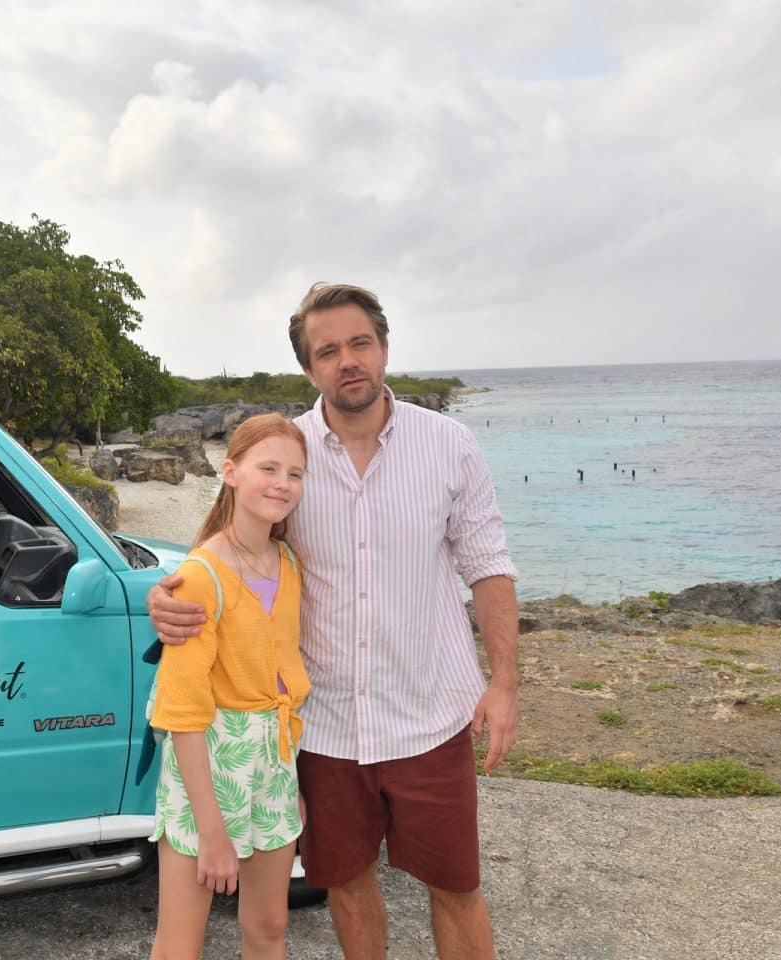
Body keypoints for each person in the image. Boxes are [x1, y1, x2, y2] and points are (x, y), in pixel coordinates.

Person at [149, 283, 520, 960]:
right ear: (308, 367)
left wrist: (504, 683)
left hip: (431, 713)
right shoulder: (288, 454)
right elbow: (232, 545)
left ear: (384, 348)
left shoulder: (449, 444)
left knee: (457, 888)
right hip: (325, 729)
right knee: (346, 886)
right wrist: (165, 595)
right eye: (328, 351)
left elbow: (488, 563)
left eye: (360, 343)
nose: (348, 360)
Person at [148, 413, 313, 960]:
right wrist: (212, 832)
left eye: (294, 473)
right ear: (231, 472)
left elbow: (284, 678)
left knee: (269, 927)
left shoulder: (288, 562)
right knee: (180, 943)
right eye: (268, 468)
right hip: (209, 766)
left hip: (273, 764)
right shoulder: (201, 575)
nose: (282, 484)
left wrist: (289, 780)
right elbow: (182, 712)